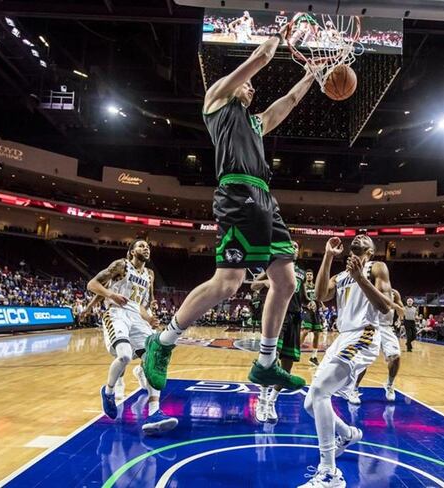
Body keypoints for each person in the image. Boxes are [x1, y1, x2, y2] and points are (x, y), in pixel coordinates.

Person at [141, 21, 316, 393]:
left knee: (286, 281)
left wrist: (312, 76)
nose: (251, 87)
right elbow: (260, 57)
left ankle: (266, 363)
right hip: (236, 194)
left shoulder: (254, 123)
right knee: (228, 284)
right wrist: (280, 38)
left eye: (252, 86)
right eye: (248, 83)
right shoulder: (217, 101)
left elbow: (288, 104)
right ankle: (164, 341)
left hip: (265, 198)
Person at [300, 235, 394, 487]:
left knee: (320, 392)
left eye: (366, 237)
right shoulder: (340, 276)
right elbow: (320, 294)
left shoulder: (376, 268)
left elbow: (386, 307)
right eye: (357, 234)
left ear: (371, 251)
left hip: (365, 333)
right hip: (342, 338)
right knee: (311, 403)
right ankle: (347, 433)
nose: (360, 235)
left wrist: (361, 278)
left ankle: (329, 473)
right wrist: (328, 256)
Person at [86, 240, 178, 435]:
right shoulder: (121, 265)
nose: (146, 248)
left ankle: (155, 413)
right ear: (131, 252)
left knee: (153, 360)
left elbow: (142, 305)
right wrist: (111, 294)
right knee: (125, 356)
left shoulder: (149, 275)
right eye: (141, 246)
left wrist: (150, 319)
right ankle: (109, 391)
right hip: (116, 313)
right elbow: (92, 284)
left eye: (148, 247)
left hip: (137, 318)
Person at [251, 241, 306, 422]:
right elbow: (254, 286)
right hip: (278, 316)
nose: (295, 248)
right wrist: (267, 281)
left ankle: (272, 401)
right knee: (271, 360)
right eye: (292, 246)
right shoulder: (274, 266)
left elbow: (302, 295)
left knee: (288, 364)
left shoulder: (301, 273)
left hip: (295, 318)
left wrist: (310, 302)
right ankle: (262, 400)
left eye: (297, 247)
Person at [353, 288, 405, 403]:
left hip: (386, 327)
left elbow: (402, 309)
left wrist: (401, 314)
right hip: (369, 327)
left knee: (396, 357)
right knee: (363, 361)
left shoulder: (394, 293)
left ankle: (389, 384)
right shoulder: (367, 289)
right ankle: (354, 388)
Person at [301, 269, 324, 366]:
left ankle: (313, 357)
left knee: (317, 333)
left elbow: (318, 297)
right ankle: (296, 350)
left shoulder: (315, 286)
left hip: (316, 311)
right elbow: (301, 298)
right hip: (307, 310)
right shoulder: (303, 286)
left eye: (311, 274)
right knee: (306, 330)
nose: (309, 276)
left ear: (313, 276)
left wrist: (322, 304)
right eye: (308, 274)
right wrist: (306, 305)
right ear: (306, 276)